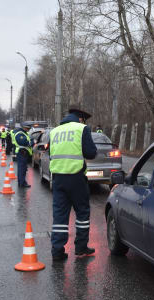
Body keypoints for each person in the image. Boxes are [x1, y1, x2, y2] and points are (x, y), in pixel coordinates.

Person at [49, 108, 97, 261]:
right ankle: (81, 248)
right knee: (82, 213)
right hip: (76, 178)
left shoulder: (55, 131)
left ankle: (57, 251)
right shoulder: (82, 129)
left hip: (57, 179)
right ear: (81, 119)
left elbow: (51, 153)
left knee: (59, 216)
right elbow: (90, 153)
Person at [14, 123, 33, 188]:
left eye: (29, 129)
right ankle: (22, 183)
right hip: (22, 152)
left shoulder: (23, 133)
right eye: (28, 128)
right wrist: (32, 142)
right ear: (24, 127)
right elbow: (24, 142)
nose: (28, 130)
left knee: (22, 169)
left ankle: (21, 182)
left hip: (23, 153)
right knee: (22, 169)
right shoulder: (20, 134)